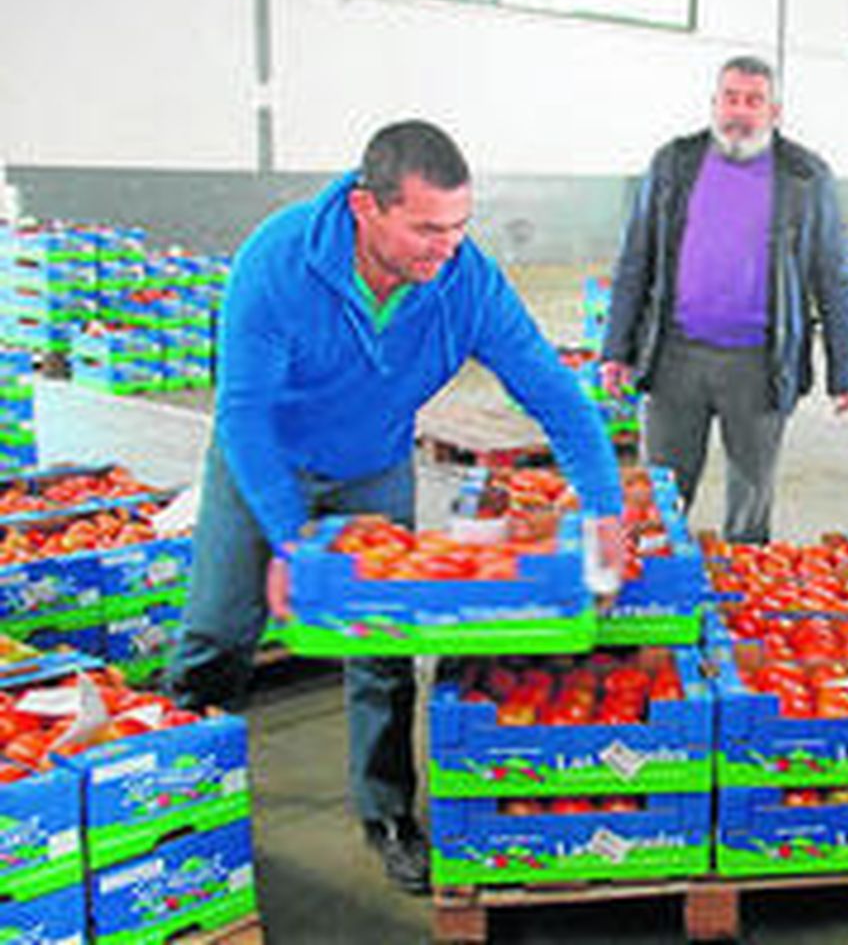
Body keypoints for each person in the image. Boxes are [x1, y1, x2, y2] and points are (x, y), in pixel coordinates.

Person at [165, 120, 625, 893]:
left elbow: (554, 394)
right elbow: (242, 414)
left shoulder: (466, 282)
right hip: (265, 463)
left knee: (381, 642)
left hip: (373, 467)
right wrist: (291, 542)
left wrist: (605, 510)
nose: (446, 248)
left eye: (459, 226)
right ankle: (176, 793)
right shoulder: (276, 264)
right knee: (218, 628)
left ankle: (386, 814)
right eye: (426, 229)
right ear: (365, 208)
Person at [600, 55, 848, 544]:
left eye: (753, 100)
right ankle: (659, 583)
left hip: (760, 364)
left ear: (774, 111)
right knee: (659, 497)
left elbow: (834, 276)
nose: (739, 111)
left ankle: (742, 582)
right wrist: (615, 349)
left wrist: (846, 372)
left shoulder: (806, 177)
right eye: (731, 98)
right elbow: (635, 259)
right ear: (714, 103)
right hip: (675, 356)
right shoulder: (673, 163)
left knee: (751, 500)